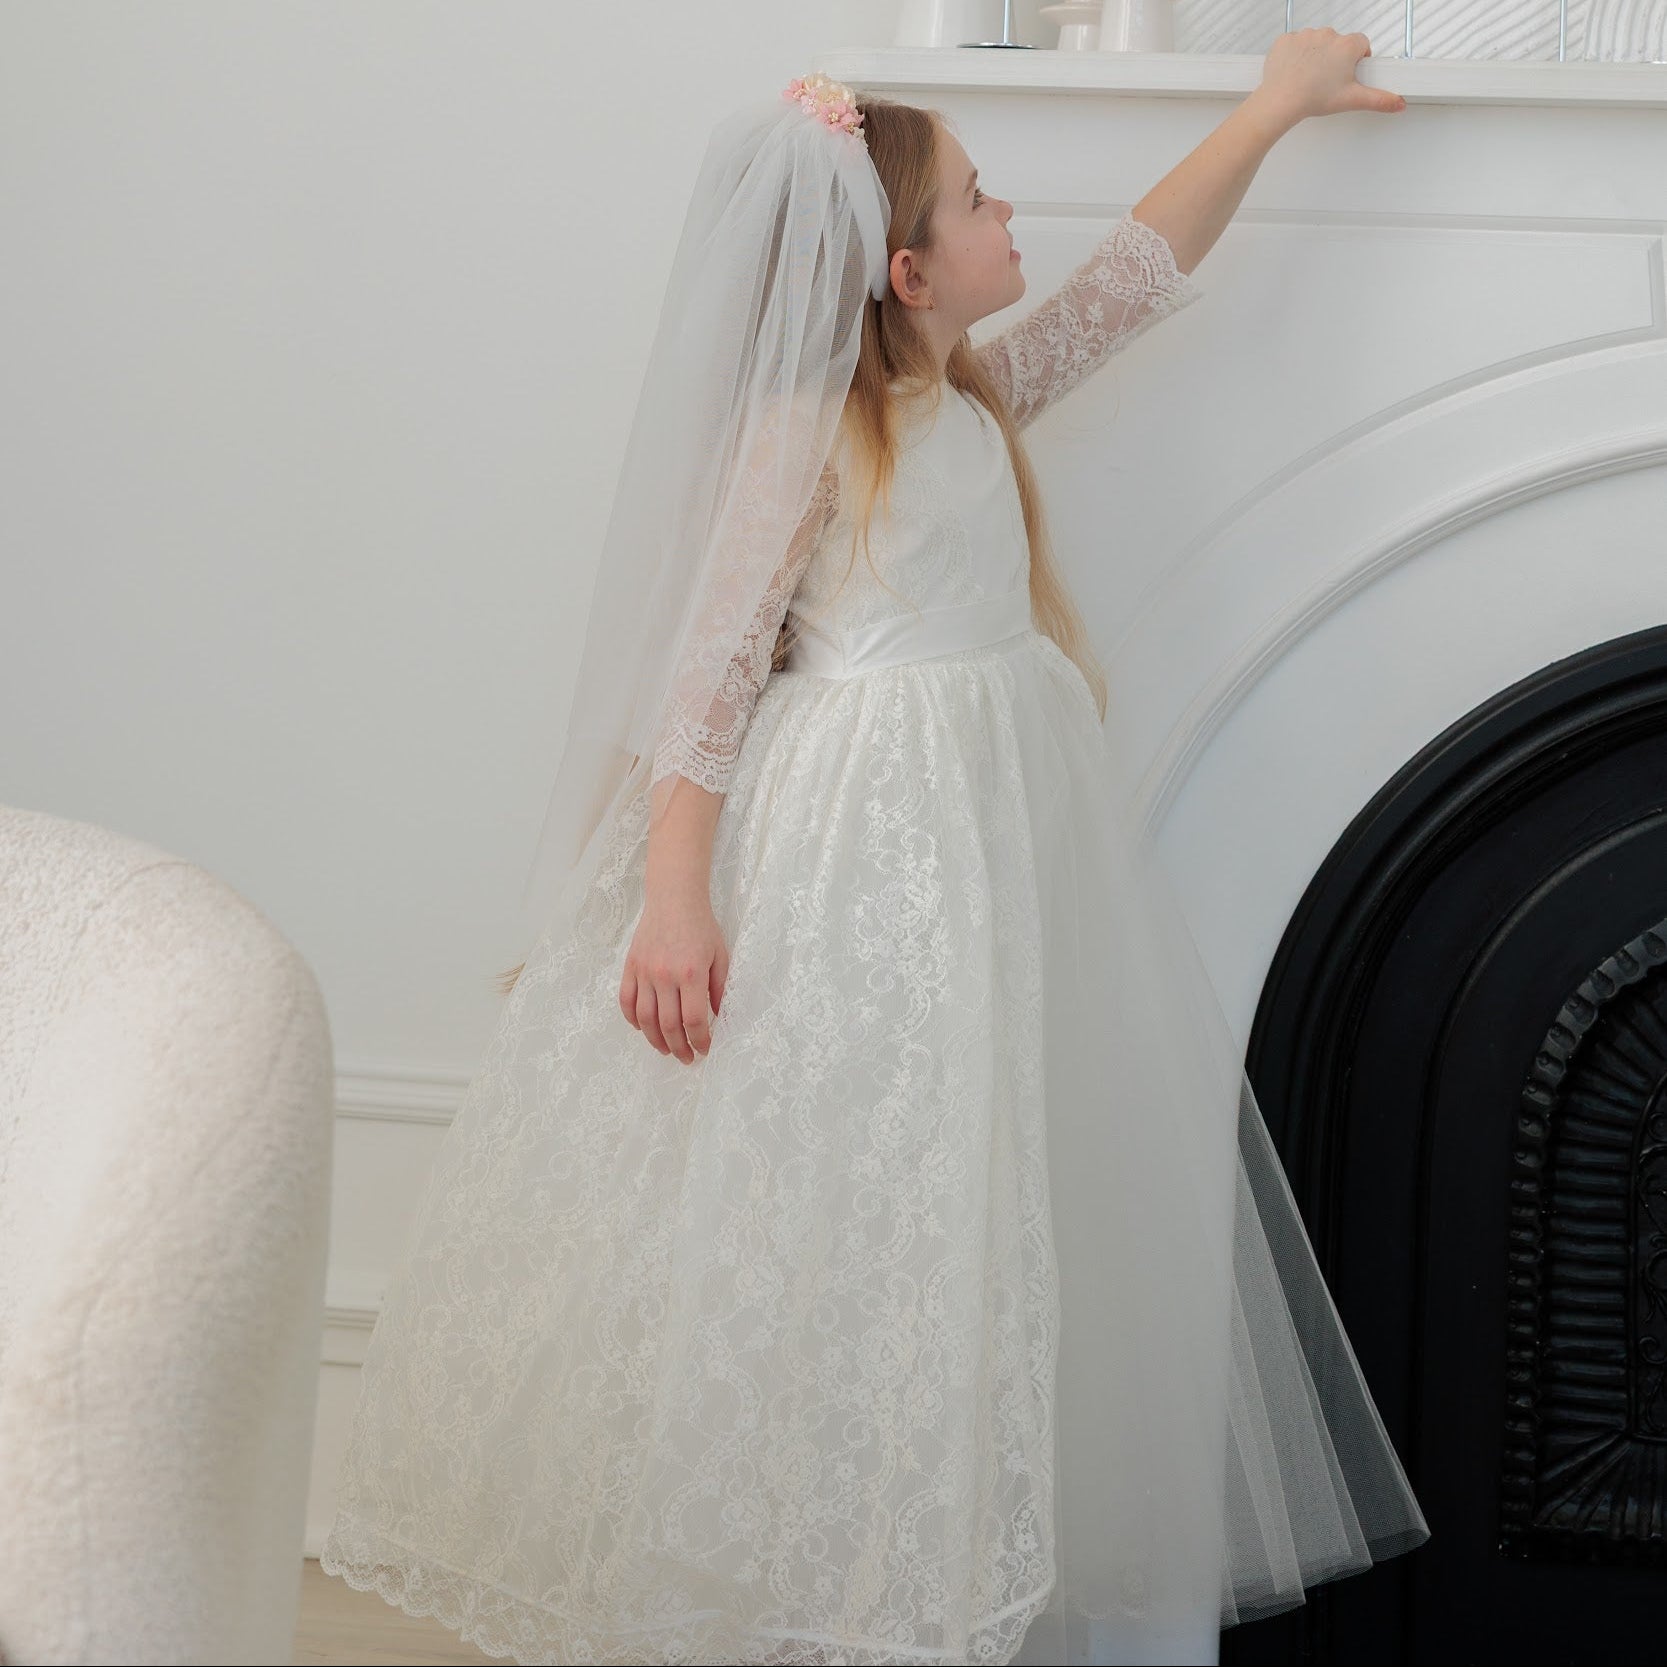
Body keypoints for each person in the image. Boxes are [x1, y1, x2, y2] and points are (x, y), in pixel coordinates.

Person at [320, 31, 1425, 1667]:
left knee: (956, 1191)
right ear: (907, 269)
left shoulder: (967, 388)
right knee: (831, 1186)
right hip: (859, 844)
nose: (1009, 215)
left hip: (988, 834)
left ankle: (918, 1563)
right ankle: (786, 1582)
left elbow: (1139, 269)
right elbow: (704, 673)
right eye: (980, 202)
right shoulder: (807, 434)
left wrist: (1270, 109)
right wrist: (677, 897)